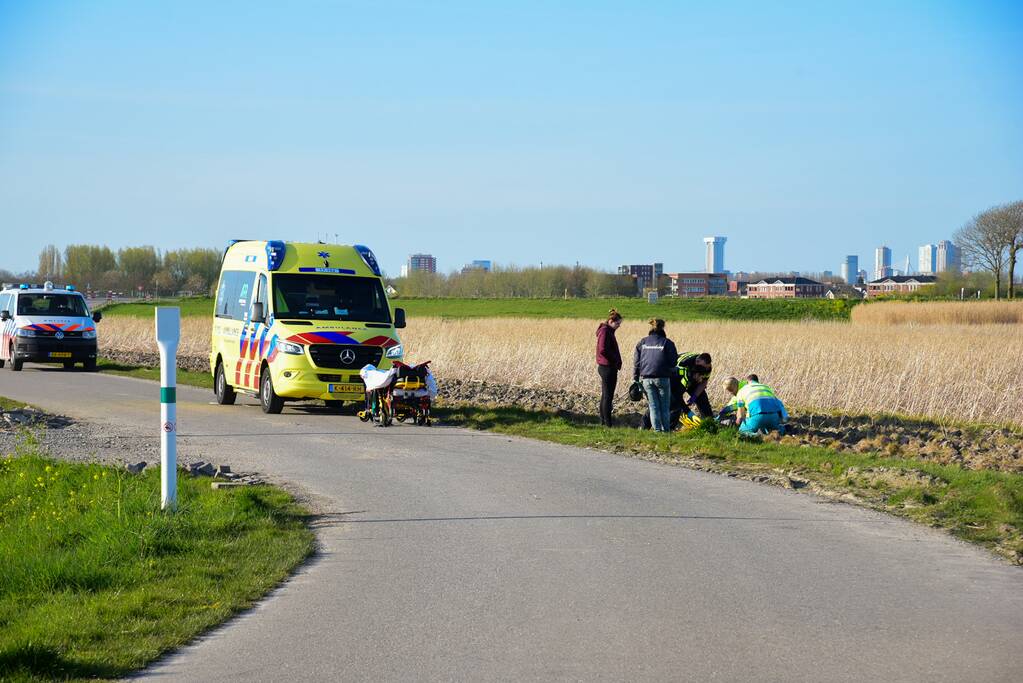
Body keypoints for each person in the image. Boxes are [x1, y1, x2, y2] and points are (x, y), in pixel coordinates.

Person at [633, 319, 678, 432]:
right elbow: (673, 362)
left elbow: (637, 363)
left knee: (653, 407)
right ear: (663, 328)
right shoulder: (667, 343)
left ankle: (657, 431)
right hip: (663, 378)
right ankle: (666, 431)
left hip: (646, 379)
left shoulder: (642, 342)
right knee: (665, 406)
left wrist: (635, 378)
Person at [723, 376, 789, 435]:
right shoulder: (767, 387)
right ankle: (781, 430)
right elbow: (779, 404)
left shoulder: (741, 391)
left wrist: (737, 423)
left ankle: (758, 436)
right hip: (774, 416)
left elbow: (740, 415)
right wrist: (784, 418)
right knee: (771, 428)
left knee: (742, 431)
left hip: (758, 416)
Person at [595, 308, 623, 427]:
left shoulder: (607, 331)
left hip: (606, 366)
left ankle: (603, 421)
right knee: (608, 396)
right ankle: (608, 423)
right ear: (611, 321)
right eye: (618, 323)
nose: (619, 326)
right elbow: (603, 349)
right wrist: (615, 360)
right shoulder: (605, 331)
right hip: (607, 367)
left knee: (605, 395)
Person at [671, 352, 714, 427]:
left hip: (691, 376)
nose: (706, 369)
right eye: (704, 368)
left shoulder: (707, 367)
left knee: (702, 398)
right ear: (697, 362)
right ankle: (671, 425)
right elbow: (677, 395)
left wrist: (694, 397)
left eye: (707, 367)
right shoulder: (684, 364)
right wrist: (688, 412)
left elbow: (703, 383)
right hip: (676, 378)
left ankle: (709, 422)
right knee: (675, 402)